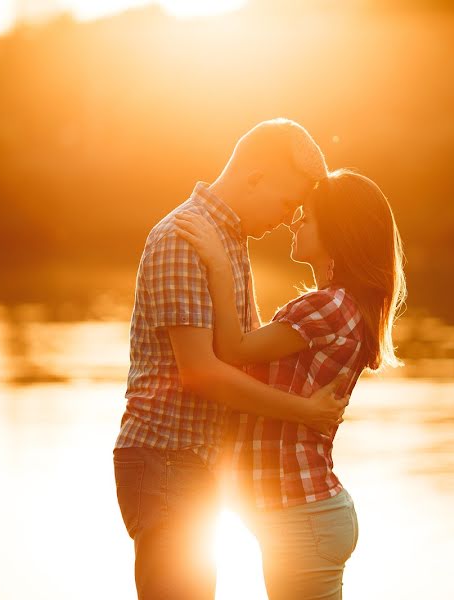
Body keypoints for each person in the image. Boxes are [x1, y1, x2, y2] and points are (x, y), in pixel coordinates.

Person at [113, 119, 350, 600]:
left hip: (194, 465)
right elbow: (201, 372)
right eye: (288, 203)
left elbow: (242, 351)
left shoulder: (228, 240)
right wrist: (303, 411)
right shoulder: (184, 238)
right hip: (167, 461)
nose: (289, 218)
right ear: (256, 177)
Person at [175, 168, 407, 599]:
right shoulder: (340, 306)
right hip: (305, 515)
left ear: (338, 232)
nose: (296, 223)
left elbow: (234, 349)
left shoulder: (327, 306)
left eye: (308, 218)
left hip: (303, 516)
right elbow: (255, 352)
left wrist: (220, 266)